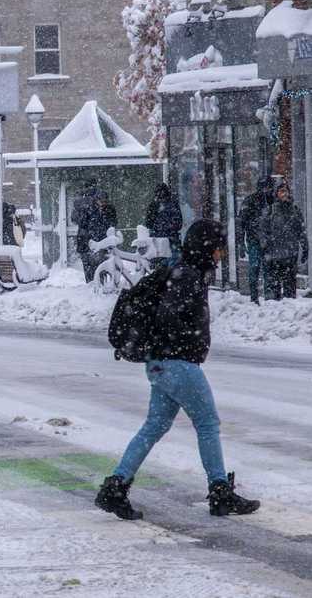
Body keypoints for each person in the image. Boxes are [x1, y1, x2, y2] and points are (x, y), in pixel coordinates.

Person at [95, 219, 260, 521]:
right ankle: (220, 491)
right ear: (207, 247)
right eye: (219, 247)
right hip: (177, 364)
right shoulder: (188, 276)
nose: (221, 254)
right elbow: (169, 318)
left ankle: (116, 486)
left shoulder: (181, 271)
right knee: (207, 423)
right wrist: (181, 347)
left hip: (161, 364)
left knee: (154, 427)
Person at [259, 180, 308, 301]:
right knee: (274, 287)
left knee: (290, 286)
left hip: (291, 254)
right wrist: (265, 246)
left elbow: (300, 230)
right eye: (281, 191)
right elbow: (263, 231)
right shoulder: (270, 211)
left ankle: (288, 309)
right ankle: (274, 311)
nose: (284, 194)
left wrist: (305, 247)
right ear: (276, 194)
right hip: (274, 255)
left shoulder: (295, 210)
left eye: (286, 191)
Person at [237, 178, 273, 303]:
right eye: (265, 187)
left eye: (268, 187)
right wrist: (240, 242)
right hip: (255, 240)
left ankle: (268, 297)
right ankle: (254, 298)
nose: (266, 190)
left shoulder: (272, 201)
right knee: (255, 268)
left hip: (268, 240)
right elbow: (241, 223)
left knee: (267, 269)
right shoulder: (251, 201)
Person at [72, 185, 117, 283]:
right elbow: (83, 224)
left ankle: (100, 283)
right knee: (89, 266)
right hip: (87, 242)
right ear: (96, 200)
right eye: (101, 201)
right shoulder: (88, 209)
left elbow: (112, 224)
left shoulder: (109, 210)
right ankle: (91, 284)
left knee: (101, 265)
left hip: (100, 242)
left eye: (105, 201)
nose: (103, 203)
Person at [144, 183, 182, 268]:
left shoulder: (154, 205)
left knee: (160, 267)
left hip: (159, 241)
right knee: (174, 264)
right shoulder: (173, 204)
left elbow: (148, 223)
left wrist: (159, 227)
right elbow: (179, 223)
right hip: (169, 240)